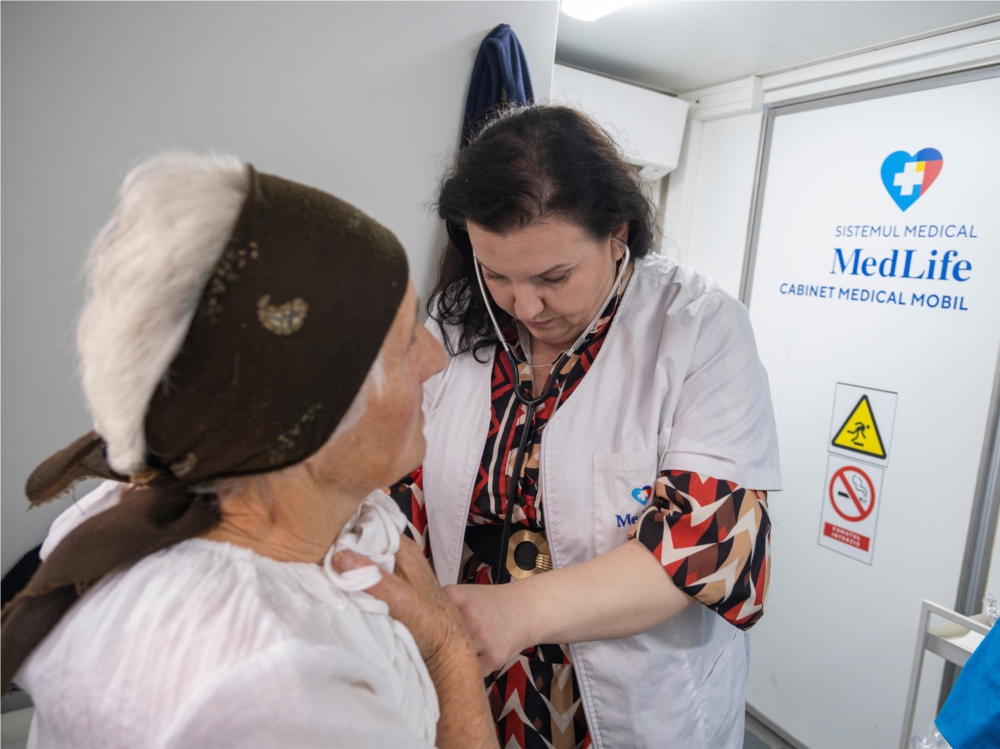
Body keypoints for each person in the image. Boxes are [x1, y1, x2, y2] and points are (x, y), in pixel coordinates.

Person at [0, 152, 499, 749]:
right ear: (307, 420)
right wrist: (447, 652)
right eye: (401, 348)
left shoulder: (140, 509)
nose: (435, 358)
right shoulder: (280, 692)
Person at [389, 106, 781, 749]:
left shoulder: (699, 327)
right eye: (497, 274)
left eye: (555, 277)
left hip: (629, 697)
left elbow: (709, 546)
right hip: (470, 672)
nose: (524, 306)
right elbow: (396, 489)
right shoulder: (456, 323)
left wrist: (517, 612)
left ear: (617, 233)